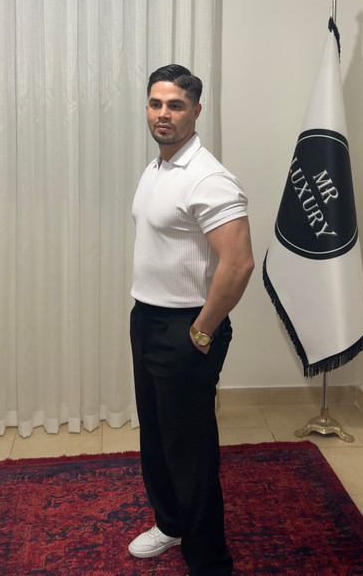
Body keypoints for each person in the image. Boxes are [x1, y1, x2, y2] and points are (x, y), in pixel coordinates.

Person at [128, 64, 254, 576]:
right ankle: (171, 524)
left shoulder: (209, 177)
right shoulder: (157, 168)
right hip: (147, 318)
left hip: (187, 328)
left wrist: (201, 331)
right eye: (156, 103)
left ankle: (209, 562)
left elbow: (239, 263)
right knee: (157, 436)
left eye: (176, 105)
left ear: (196, 111)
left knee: (190, 450)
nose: (164, 114)